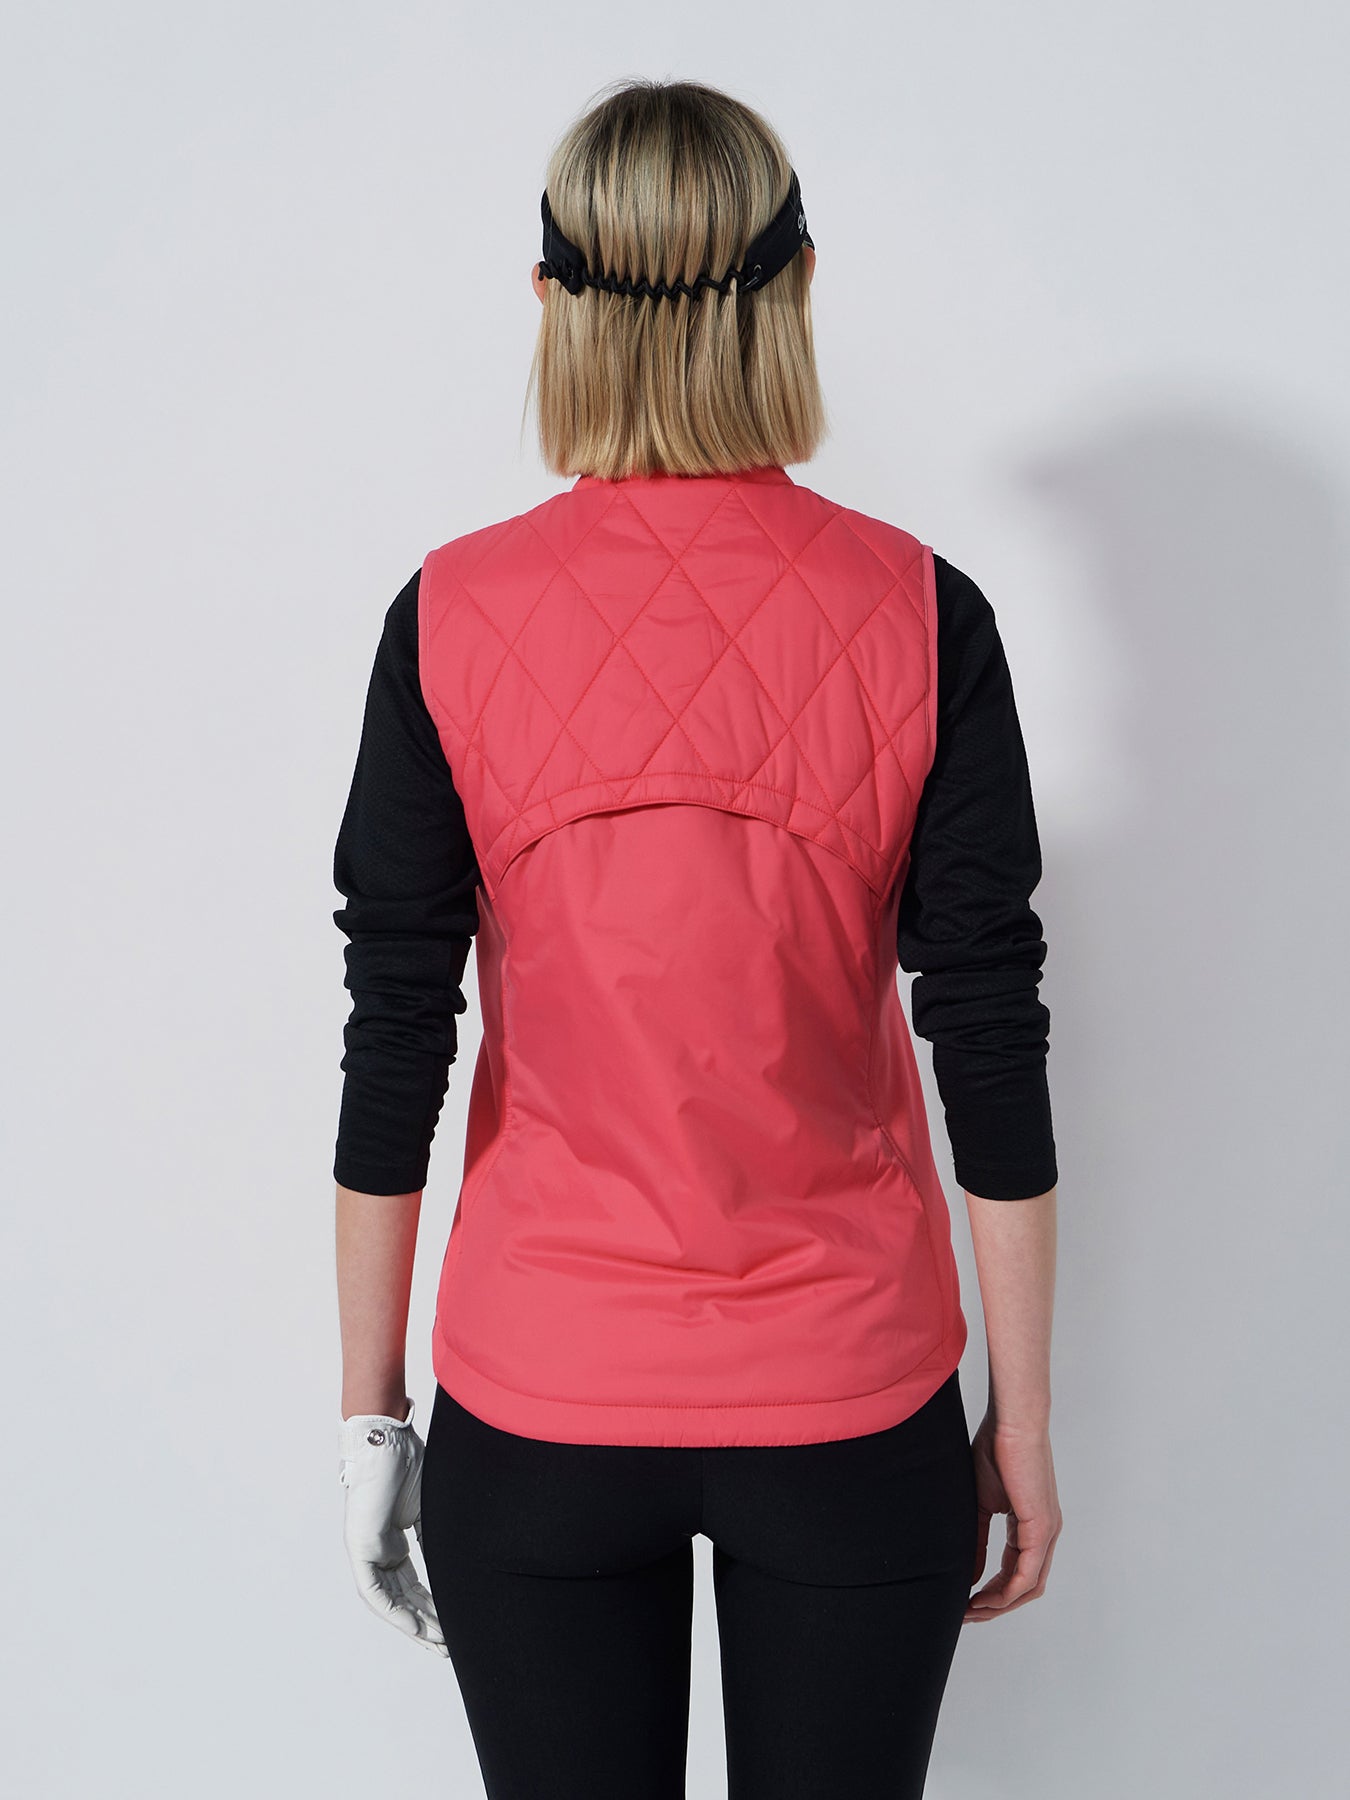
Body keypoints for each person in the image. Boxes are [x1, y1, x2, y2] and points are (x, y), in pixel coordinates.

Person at [332, 76, 1061, 1800]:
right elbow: (987, 1024)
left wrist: (373, 1415)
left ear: (548, 299)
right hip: (849, 1399)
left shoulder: (448, 615)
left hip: (539, 1399)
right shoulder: (921, 612)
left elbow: (394, 1028)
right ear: (796, 285)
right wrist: (1021, 1419)